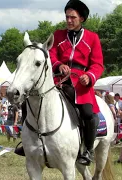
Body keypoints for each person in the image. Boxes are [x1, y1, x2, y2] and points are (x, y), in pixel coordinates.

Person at [15, 0, 104, 166]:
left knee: (88, 113)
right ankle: (26, 142)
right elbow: (52, 55)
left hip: (81, 84)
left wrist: (90, 76)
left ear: (82, 18)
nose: (69, 20)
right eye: (67, 17)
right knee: (28, 103)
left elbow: (98, 64)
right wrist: (58, 65)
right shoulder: (58, 35)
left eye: (73, 17)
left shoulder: (92, 38)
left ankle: (87, 150)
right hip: (58, 80)